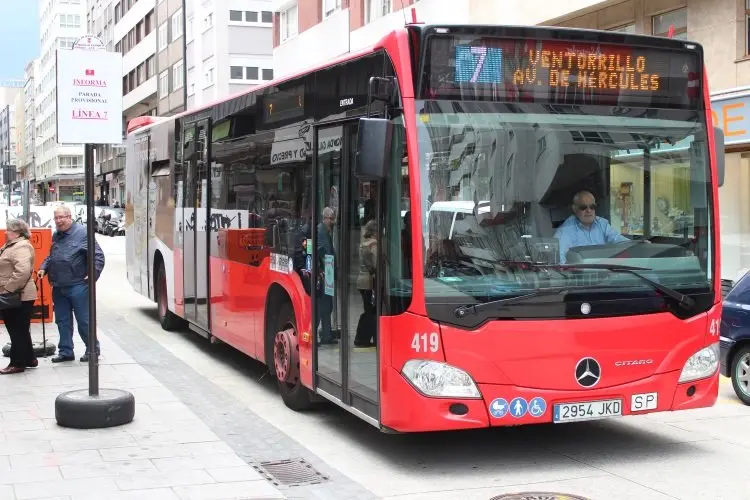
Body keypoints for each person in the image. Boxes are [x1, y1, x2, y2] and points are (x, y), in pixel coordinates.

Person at [38, 205, 105, 363]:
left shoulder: (82, 233)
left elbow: (98, 256)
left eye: (62, 217)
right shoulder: (56, 235)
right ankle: (66, 351)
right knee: (62, 320)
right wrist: (43, 268)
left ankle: (92, 350)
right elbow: (52, 256)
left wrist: (92, 275)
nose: (59, 221)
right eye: (56, 218)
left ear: (70, 217)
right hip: (59, 285)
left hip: (78, 285)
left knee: (84, 320)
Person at [0, 219, 39, 374]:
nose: (5, 232)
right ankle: (29, 358)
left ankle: (17, 363)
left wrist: (8, 289)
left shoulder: (21, 246)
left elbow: (22, 272)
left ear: (16, 231)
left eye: (8, 229)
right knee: (20, 328)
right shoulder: (12, 245)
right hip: (15, 294)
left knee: (16, 329)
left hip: (18, 295)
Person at [554, 190, 629, 264]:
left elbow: (622, 242)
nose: (588, 210)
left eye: (592, 206)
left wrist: (637, 246)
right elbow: (559, 262)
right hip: (580, 274)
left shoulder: (602, 224)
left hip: (604, 271)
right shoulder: (565, 231)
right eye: (583, 207)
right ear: (575, 209)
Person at [316, 207, 336, 345]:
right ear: (325, 218)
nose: (332, 222)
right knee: (324, 305)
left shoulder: (325, 231)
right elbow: (323, 252)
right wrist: (322, 270)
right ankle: (323, 334)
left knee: (327, 305)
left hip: (327, 272)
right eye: (331, 219)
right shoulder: (321, 231)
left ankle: (326, 334)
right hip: (325, 273)